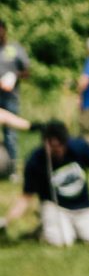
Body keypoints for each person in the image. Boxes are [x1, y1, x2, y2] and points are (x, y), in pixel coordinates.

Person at [7, 119, 89, 245]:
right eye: (52, 147)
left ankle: (76, 228)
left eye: (60, 146)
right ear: (45, 143)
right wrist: (8, 220)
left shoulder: (80, 148)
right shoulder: (36, 161)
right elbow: (26, 196)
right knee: (62, 242)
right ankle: (44, 228)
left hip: (82, 208)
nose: (57, 151)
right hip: (55, 207)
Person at [0, 20, 30, 171]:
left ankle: (12, 168)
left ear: (4, 31)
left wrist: (14, 76)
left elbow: (27, 72)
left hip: (10, 98)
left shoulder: (15, 49)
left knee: (11, 133)